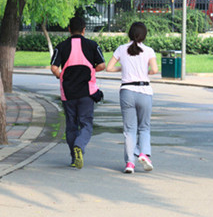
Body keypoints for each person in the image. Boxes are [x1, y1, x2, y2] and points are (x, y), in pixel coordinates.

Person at [51, 16, 106, 169]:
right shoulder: (92, 45)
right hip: (87, 93)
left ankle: (74, 158)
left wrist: (62, 76)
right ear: (84, 29)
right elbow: (102, 65)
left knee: (71, 125)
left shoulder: (61, 46)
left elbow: (54, 68)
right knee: (86, 123)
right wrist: (91, 71)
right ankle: (80, 146)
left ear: (69, 30)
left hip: (68, 94)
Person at [106, 22, 158, 173]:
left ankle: (130, 163)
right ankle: (144, 153)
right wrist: (144, 72)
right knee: (144, 127)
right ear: (144, 35)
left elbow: (109, 68)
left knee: (129, 130)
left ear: (129, 34)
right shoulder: (149, 51)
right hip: (144, 91)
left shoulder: (121, 49)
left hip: (127, 91)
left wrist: (123, 68)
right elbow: (154, 69)